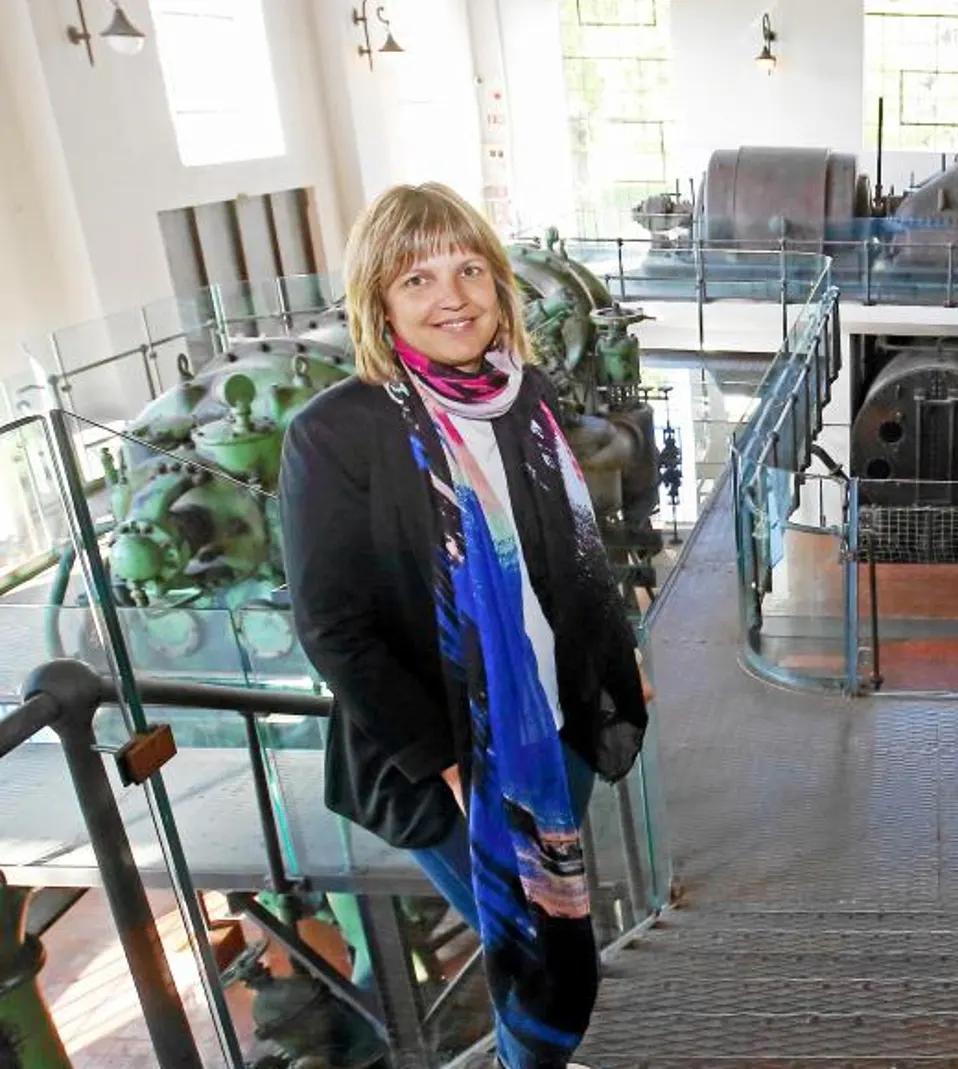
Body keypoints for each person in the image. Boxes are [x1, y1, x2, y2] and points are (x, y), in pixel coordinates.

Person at [280, 182, 651, 1069]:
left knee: (556, 932)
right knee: (532, 949)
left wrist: (618, 656)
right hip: (444, 759)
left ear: (499, 284)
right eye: (417, 279)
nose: (453, 296)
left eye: (469, 268)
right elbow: (334, 625)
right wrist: (447, 758)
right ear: (378, 302)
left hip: (554, 720)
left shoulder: (524, 395)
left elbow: (571, 554)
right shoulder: (336, 433)